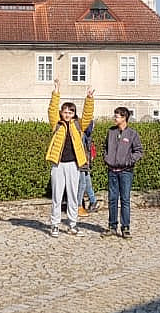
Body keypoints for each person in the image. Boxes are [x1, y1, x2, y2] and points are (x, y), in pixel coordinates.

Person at [46, 80, 94, 236]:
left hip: (73, 164)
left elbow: (87, 115)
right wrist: (56, 92)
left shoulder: (78, 125)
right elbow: (51, 110)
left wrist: (89, 99)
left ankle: (72, 224)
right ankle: (55, 224)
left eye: (70, 112)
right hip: (58, 164)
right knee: (57, 196)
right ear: (62, 113)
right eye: (65, 112)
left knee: (73, 196)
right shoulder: (56, 124)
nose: (67, 115)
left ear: (74, 114)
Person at [102, 106, 144, 239]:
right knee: (112, 199)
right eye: (115, 115)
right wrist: (107, 158)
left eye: (117, 116)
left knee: (125, 200)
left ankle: (125, 227)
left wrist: (128, 161)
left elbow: (138, 151)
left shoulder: (132, 134)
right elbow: (105, 148)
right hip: (112, 171)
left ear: (124, 118)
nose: (114, 118)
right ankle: (112, 226)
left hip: (126, 172)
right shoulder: (111, 132)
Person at [78, 120, 98, 211]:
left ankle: (93, 202)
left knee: (87, 184)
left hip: (85, 164)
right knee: (82, 184)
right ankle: (78, 205)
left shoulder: (87, 137)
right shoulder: (82, 136)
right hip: (82, 163)